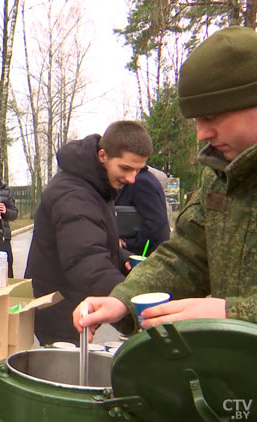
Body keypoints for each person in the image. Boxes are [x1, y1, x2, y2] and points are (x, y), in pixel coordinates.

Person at [75, 26, 257, 335]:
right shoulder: (220, 176)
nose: (202, 134)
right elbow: (185, 256)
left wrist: (231, 313)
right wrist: (123, 299)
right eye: (197, 120)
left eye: (212, 118)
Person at [25, 120, 153, 345]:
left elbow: (95, 240)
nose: (132, 179)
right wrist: (134, 308)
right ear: (103, 155)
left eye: (137, 170)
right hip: (60, 310)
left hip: (75, 302)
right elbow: (87, 262)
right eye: (125, 168)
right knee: (65, 375)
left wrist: (123, 259)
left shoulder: (96, 185)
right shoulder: (73, 195)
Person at [115, 164, 170, 256]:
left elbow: (155, 221)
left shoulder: (141, 182)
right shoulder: (146, 178)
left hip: (144, 253)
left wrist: (130, 243)